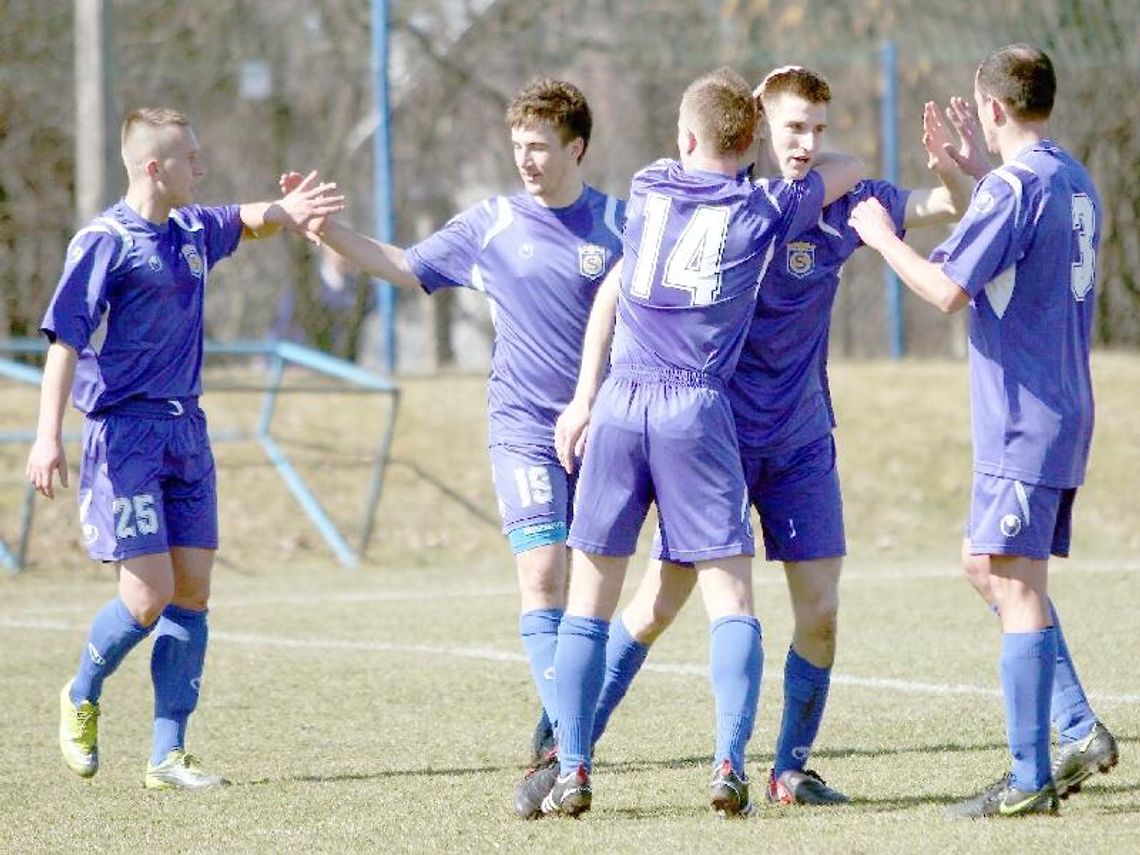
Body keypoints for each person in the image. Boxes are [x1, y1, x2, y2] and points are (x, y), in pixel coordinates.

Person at [547, 67, 980, 810]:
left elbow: (945, 206)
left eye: (819, 129)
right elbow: (617, 288)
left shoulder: (846, 206)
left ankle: (788, 766)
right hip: (713, 436)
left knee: (820, 608)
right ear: (756, 136)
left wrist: (954, 175)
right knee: (653, 607)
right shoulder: (758, 205)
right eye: (793, 130)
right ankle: (565, 744)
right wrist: (582, 393)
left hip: (799, 434)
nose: (809, 144)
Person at [531, 67, 863, 819]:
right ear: (753, 144)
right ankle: (727, 763)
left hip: (620, 400)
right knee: (730, 599)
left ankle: (573, 768)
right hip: (695, 405)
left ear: (683, 138)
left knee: (589, 602)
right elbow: (847, 171)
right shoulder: (763, 208)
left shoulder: (648, 185)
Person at [283, 79, 625, 770]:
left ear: (577, 147)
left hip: (602, 428)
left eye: (539, 146)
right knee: (541, 573)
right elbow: (408, 265)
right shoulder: (492, 223)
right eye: (518, 146)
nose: (525, 159)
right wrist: (331, 233)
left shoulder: (621, 225)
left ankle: (560, 716)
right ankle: (570, 738)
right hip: (522, 425)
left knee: (592, 593)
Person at [27, 107, 343, 789]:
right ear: (154, 168)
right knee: (148, 595)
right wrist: (48, 435)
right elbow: (64, 342)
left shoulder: (194, 228)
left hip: (187, 431)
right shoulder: (104, 241)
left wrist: (288, 209)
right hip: (126, 434)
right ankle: (81, 690)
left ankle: (167, 754)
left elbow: (247, 217)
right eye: (189, 158)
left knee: (192, 591)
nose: (201, 167)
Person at [848, 43, 1117, 818]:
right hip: (1058, 407)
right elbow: (1013, 245)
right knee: (984, 563)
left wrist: (878, 233)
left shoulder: (1012, 188)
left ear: (994, 108)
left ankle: (1031, 773)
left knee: (1016, 583)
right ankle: (1074, 728)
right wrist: (972, 173)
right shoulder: (1070, 179)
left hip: (1023, 416)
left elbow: (946, 288)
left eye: (981, 113)